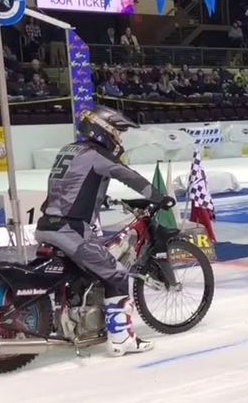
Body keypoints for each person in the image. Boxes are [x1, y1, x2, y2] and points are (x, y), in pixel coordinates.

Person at [35, 106, 175, 357]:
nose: (119, 139)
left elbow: (76, 185)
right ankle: (122, 340)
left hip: (47, 224)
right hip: (71, 229)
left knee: (86, 273)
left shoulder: (70, 149)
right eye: (118, 133)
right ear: (104, 130)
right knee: (117, 273)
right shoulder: (97, 155)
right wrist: (159, 197)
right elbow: (129, 177)